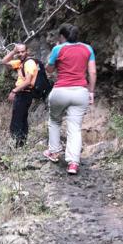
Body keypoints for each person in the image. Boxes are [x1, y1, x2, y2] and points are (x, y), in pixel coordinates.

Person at [43, 23, 97, 175]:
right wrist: (91, 92)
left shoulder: (58, 49)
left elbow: (49, 69)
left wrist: (54, 55)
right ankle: (73, 163)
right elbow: (92, 73)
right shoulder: (88, 49)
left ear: (62, 36)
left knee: (54, 120)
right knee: (75, 127)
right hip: (80, 92)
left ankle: (54, 152)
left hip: (61, 90)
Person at [1, 43, 38, 147]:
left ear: (27, 51)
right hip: (22, 94)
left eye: (23, 51)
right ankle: (21, 144)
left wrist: (14, 91)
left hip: (25, 94)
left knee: (17, 122)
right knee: (21, 120)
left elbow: (27, 81)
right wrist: (13, 51)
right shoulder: (20, 62)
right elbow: (4, 62)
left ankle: (17, 145)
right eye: (19, 52)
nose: (21, 54)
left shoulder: (29, 63)